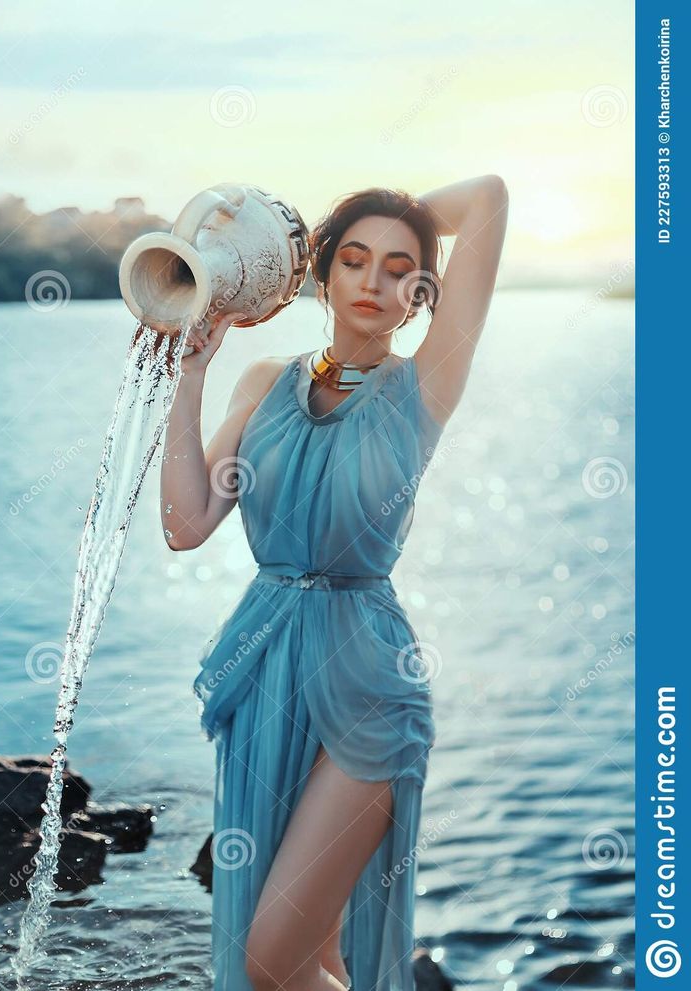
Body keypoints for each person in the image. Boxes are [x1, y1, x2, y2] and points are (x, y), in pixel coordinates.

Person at [160, 176, 508, 991]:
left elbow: (488, 195)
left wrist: (377, 211)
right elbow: (185, 524)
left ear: (423, 294)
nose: (374, 282)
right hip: (266, 661)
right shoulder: (264, 384)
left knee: (267, 961)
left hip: (368, 681)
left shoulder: (426, 385)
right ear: (323, 276)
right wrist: (189, 374)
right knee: (314, 957)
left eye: (399, 269)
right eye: (353, 260)